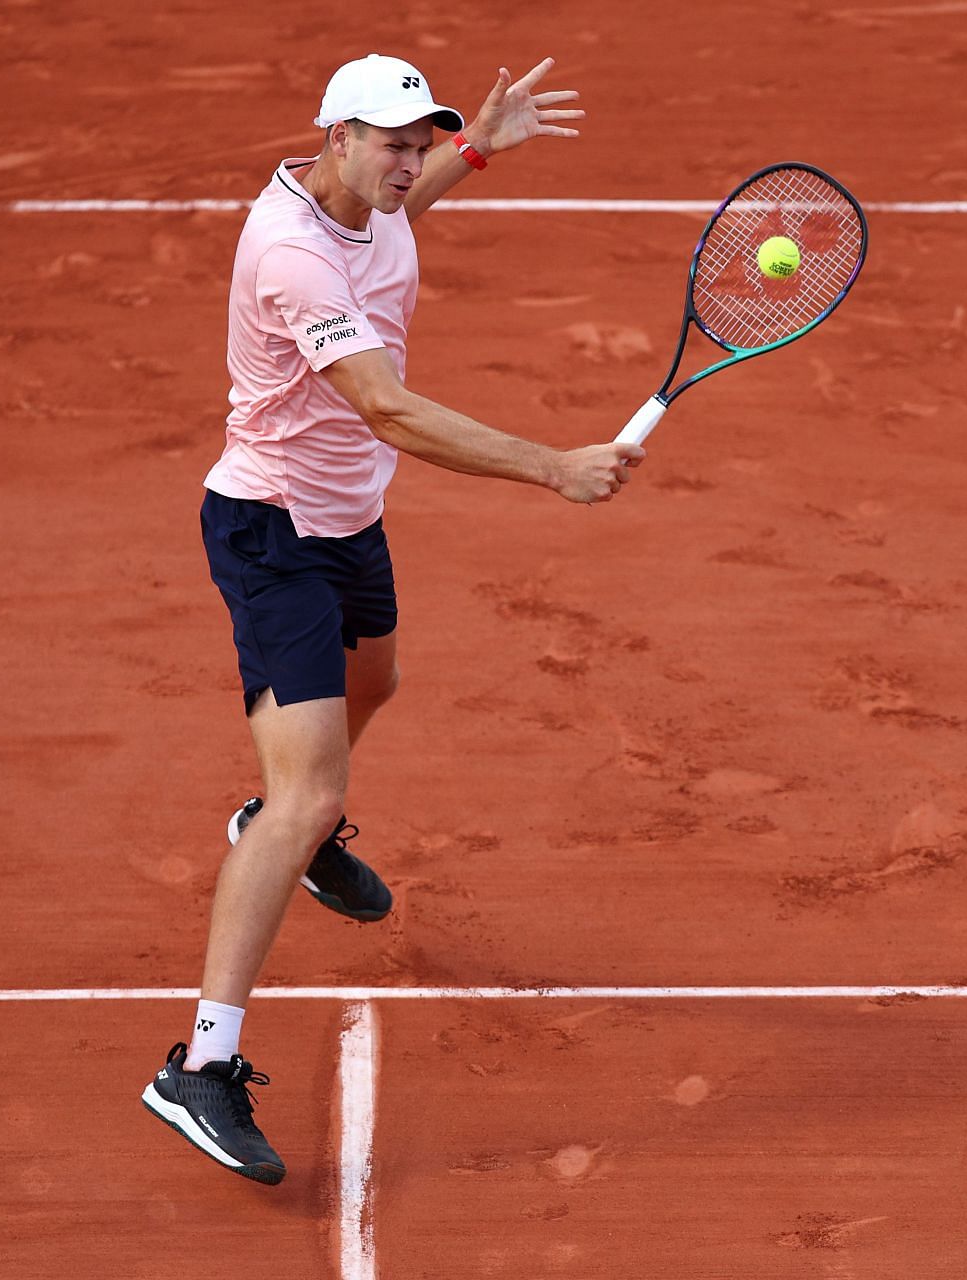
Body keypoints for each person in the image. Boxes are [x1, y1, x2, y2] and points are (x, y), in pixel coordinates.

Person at [141, 52, 643, 1185]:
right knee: (312, 789)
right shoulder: (289, 254)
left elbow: (400, 210)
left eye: (421, 143)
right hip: (272, 530)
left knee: (380, 686)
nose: (408, 162)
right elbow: (388, 407)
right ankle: (199, 1067)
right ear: (334, 136)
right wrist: (552, 466)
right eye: (392, 142)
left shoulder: (377, 194)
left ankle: (278, 820)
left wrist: (476, 153)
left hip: (350, 519)